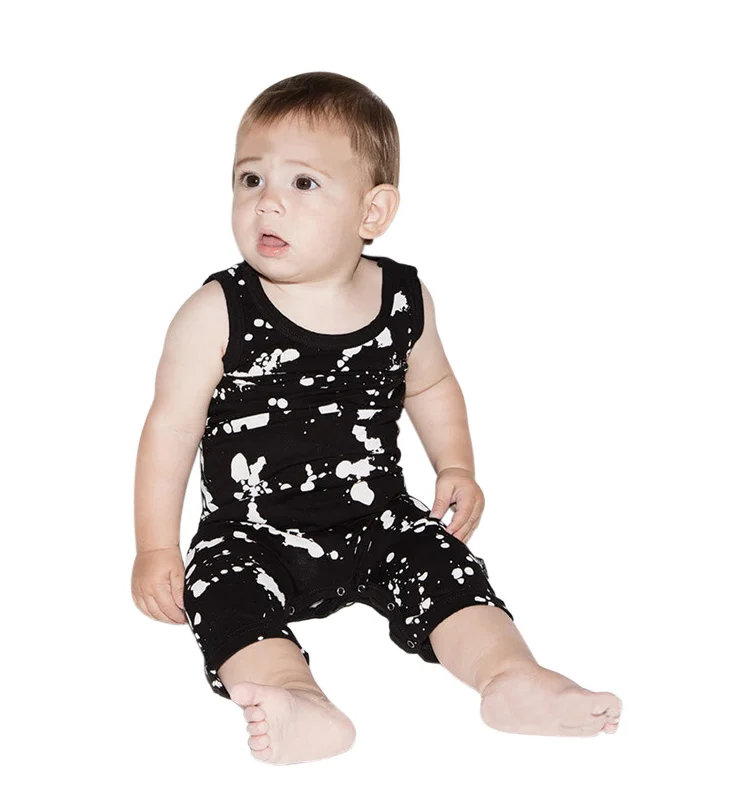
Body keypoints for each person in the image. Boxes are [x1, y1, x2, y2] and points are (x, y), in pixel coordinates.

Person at [131, 71, 622, 766]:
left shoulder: (402, 299)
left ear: (373, 211)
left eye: (303, 183)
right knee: (224, 597)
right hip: (252, 533)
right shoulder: (217, 311)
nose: (267, 201)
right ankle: (295, 698)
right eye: (250, 179)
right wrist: (157, 547)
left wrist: (456, 464)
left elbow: (433, 385)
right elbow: (171, 430)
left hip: (378, 519)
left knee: (447, 570)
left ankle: (509, 677)